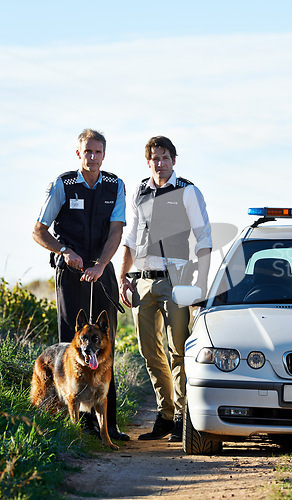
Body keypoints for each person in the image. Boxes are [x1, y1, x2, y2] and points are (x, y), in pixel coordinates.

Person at [33, 128, 129, 441]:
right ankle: (77, 427)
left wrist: (101, 264)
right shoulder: (62, 184)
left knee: (104, 347)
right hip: (69, 273)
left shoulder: (115, 185)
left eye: (97, 152)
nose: (92, 157)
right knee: (72, 346)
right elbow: (39, 230)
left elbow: (116, 231)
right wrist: (64, 251)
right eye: (87, 152)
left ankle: (108, 426)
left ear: (104, 154)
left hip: (102, 272)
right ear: (79, 154)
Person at [119, 135, 211, 442]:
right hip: (142, 278)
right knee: (149, 351)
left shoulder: (187, 191)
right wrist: (123, 276)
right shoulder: (140, 191)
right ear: (148, 162)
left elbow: (204, 238)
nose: (160, 163)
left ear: (174, 159)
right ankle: (165, 414)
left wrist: (200, 282)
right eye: (155, 158)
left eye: (165, 157)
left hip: (177, 277)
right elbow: (130, 238)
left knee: (179, 349)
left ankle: (184, 417)